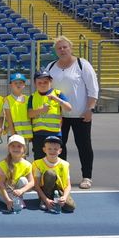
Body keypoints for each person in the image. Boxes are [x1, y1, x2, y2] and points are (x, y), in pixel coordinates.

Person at [47, 36, 99, 189]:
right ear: (55, 51)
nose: (62, 50)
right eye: (59, 48)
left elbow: (93, 89)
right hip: (59, 115)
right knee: (58, 146)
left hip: (80, 114)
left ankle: (87, 177)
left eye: (65, 47)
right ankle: (61, 176)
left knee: (83, 145)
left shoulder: (82, 65)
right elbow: (46, 89)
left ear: (70, 48)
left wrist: (90, 109)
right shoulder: (51, 67)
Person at [28, 70, 72, 160]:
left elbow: (69, 108)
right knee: (39, 159)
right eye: (39, 83)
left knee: (54, 158)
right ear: (35, 83)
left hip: (54, 133)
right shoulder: (33, 97)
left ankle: (56, 174)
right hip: (38, 134)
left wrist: (57, 99)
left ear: (51, 82)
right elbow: (30, 114)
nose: (43, 84)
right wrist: (41, 110)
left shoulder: (57, 94)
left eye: (45, 82)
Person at [0, 134, 35, 213]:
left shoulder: (27, 164)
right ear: (9, 148)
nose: (16, 148)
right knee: (14, 205)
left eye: (19, 146)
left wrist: (21, 191)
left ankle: (18, 198)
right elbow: (1, 184)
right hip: (2, 188)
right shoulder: (4, 164)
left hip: (15, 188)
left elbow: (32, 182)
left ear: (24, 148)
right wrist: (7, 200)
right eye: (13, 146)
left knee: (23, 180)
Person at [33, 136, 76, 212]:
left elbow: (68, 185)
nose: (52, 151)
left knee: (70, 207)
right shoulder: (38, 164)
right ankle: (45, 200)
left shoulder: (65, 164)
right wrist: (46, 199)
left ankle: (56, 199)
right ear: (44, 150)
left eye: (55, 149)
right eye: (49, 149)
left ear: (60, 151)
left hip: (58, 190)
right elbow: (36, 185)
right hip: (44, 190)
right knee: (50, 173)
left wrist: (64, 197)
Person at [4, 73, 32, 156]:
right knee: (13, 156)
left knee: (23, 155)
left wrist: (31, 134)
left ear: (24, 85)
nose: (18, 85)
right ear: (11, 85)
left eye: (21, 83)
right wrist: (13, 133)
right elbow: (9, 118)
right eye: (15, 83)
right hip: (13, 133)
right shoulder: (8, 99)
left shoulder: (28, 99)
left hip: (25, 133)